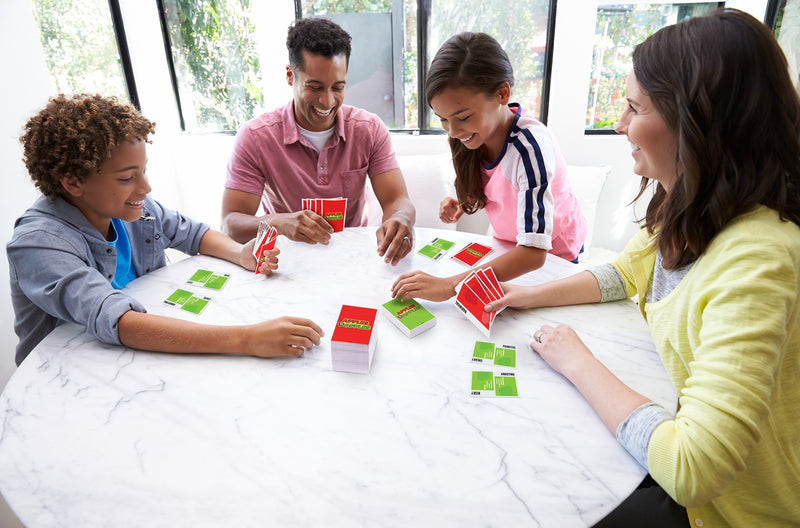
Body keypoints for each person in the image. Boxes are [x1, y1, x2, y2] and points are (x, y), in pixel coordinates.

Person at [485, 9, 800, 528]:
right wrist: (527, 295)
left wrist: (576, 360)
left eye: (635, 108)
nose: (620, 124)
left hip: (725, 511)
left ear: (699, 122)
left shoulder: (759, 256)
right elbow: (627, 274)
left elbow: (692, 468)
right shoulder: (689, 204)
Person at [7, 94, 324, 367]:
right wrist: (247, 338)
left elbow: (194, 234)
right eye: (127, 178)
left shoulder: (132, 207)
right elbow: (121, 322)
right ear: (74, 182)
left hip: (139, 358)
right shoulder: (38, 243)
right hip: (65, 378)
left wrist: (239, 253)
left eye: (143, 171)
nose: (146, 187)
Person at [391, 32, 586, 303]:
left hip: (553, 258)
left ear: (502, 94)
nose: (454, 131)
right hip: (507, 248)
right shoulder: (474, 135)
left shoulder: (531, 148)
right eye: (443, 120)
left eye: (463, 117)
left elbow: (534, 253)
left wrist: (450, 286)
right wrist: (467, 199)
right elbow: (500, 184)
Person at [222, 17, 415, 266]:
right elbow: (230, 224)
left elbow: (398, 200)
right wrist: (280, 223)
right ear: (291, 76)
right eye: (314, 87)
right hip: (283, 263)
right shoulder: (255, 137)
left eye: (338, 87)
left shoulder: (369, 129)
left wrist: (400, 218)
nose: (327, 101)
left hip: (354, 260)